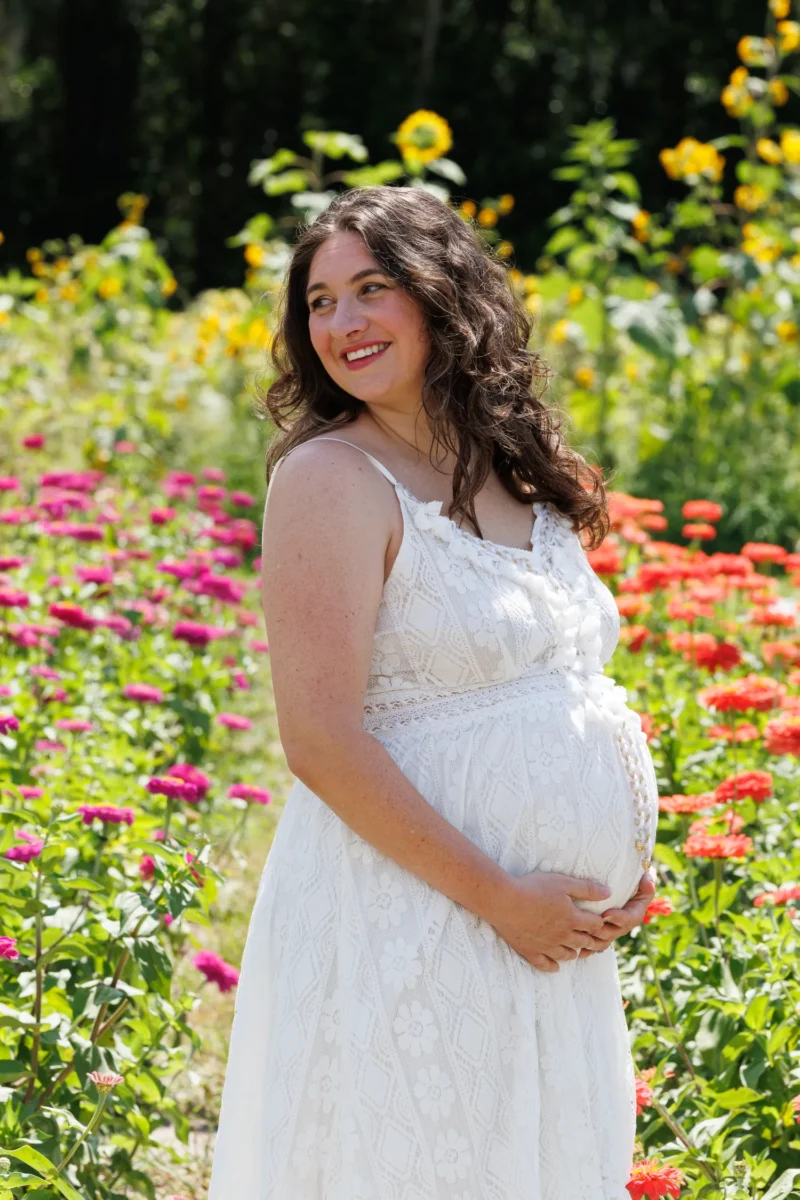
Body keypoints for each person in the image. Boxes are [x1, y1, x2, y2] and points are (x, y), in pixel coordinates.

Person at [208, 185, 659, 1200]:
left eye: (372, 288)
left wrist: (613, 845)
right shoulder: (330, 479)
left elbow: (562, 683)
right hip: (414, 917)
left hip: (546, 945)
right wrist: (500, 894)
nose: (342, 324)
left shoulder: (508, 464)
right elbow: (318, 738)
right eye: (319, 302)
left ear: (443, 293)